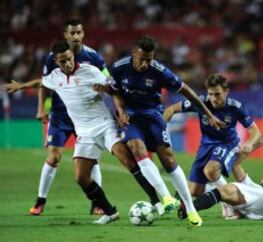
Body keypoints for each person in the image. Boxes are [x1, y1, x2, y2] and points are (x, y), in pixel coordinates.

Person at [7, 19, 163, 216]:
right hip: (84, 132)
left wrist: (118, 108)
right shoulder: (55, 76)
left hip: (105, 125)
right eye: (63, 61)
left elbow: (114, 88)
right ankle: (108, 211)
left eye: (69, 59)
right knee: (81, 177)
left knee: (127, 160)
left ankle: (156, 200)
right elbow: (42, 83)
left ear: (73, 56)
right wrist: (21, 86)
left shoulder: (90, 70)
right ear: (56, 62)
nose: (68, 63)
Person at [94, 36, 225, 226]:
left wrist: (209, 114)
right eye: (142, 59)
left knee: (168, 159)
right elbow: (116, 92)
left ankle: (190, 207)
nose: (145, 63)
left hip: (153, 115)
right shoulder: (120, 67)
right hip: (131, 116)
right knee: (137, 148)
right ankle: (166, 197)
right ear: (134, 54)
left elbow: (187, 91)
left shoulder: (160, 71)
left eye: (149, 59)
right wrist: (121, 112)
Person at [163, 74, 261, 217]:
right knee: (195, 191)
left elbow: (255, 131)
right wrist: (161, 130)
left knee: (211, 170)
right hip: (205, 147)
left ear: (226, 92)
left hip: (228, 144)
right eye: (210, 94)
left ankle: (231, 205)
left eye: (217, 94)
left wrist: (249, 143)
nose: (214, 98)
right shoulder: (200, 103)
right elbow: (171, 109)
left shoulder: (235, 107)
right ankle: (224, 192)